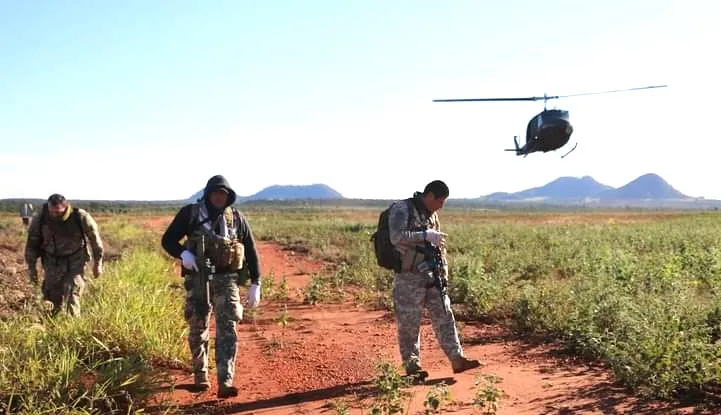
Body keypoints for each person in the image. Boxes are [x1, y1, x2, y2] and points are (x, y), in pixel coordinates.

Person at [161, 174, 262, 398]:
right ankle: (201, 376)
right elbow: (167, 240)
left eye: (223, 194)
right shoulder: (190, 213)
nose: (219, 197)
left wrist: (256, 282)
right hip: (198, 278)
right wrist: (183, 253)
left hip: (227, 280)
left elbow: (251, 249)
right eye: (215, 193)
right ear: (207, 194)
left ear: (228, 197)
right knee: (198, 327)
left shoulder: (236, 217)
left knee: (228, 329)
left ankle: (225, 381)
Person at [388, 180, 481, 381]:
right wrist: (424, 235)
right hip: (408, 278)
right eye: (440, 201)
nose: (441, 206)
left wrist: (443, 273)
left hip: (431, 275)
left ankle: (457, 359)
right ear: (430, 196)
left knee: (445, 316)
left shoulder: (432, 215)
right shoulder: (401, 209)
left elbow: (438, 248)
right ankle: (412, 368)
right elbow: (396, 237)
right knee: (409, 324)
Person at [24, 194, 104, 317]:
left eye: (58, 212)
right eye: (52, 212)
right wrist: (32, 268)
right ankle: (52, 320)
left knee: (73, 288)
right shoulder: (40, 218)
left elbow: (95, 240)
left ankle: (72, 324)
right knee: (52, 292)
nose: (55, 215)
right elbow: (32, 244)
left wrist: (98, 264)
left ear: (65, 207)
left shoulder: (80, 217)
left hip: (75, 258)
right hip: (52, 259)